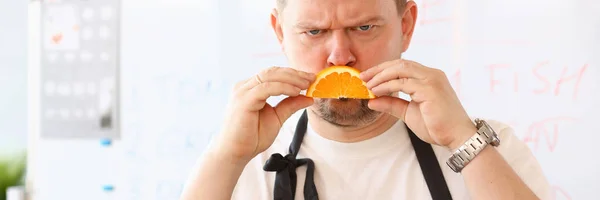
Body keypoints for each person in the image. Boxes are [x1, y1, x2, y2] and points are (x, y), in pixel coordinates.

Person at [180, 0, 552, 199]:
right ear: (280, 32)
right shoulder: (240, 164)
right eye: (314, 31)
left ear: (405, 26)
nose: (340, 56)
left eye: (363, 27)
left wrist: (462, 140)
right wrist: (225, 157)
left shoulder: (484, 147)